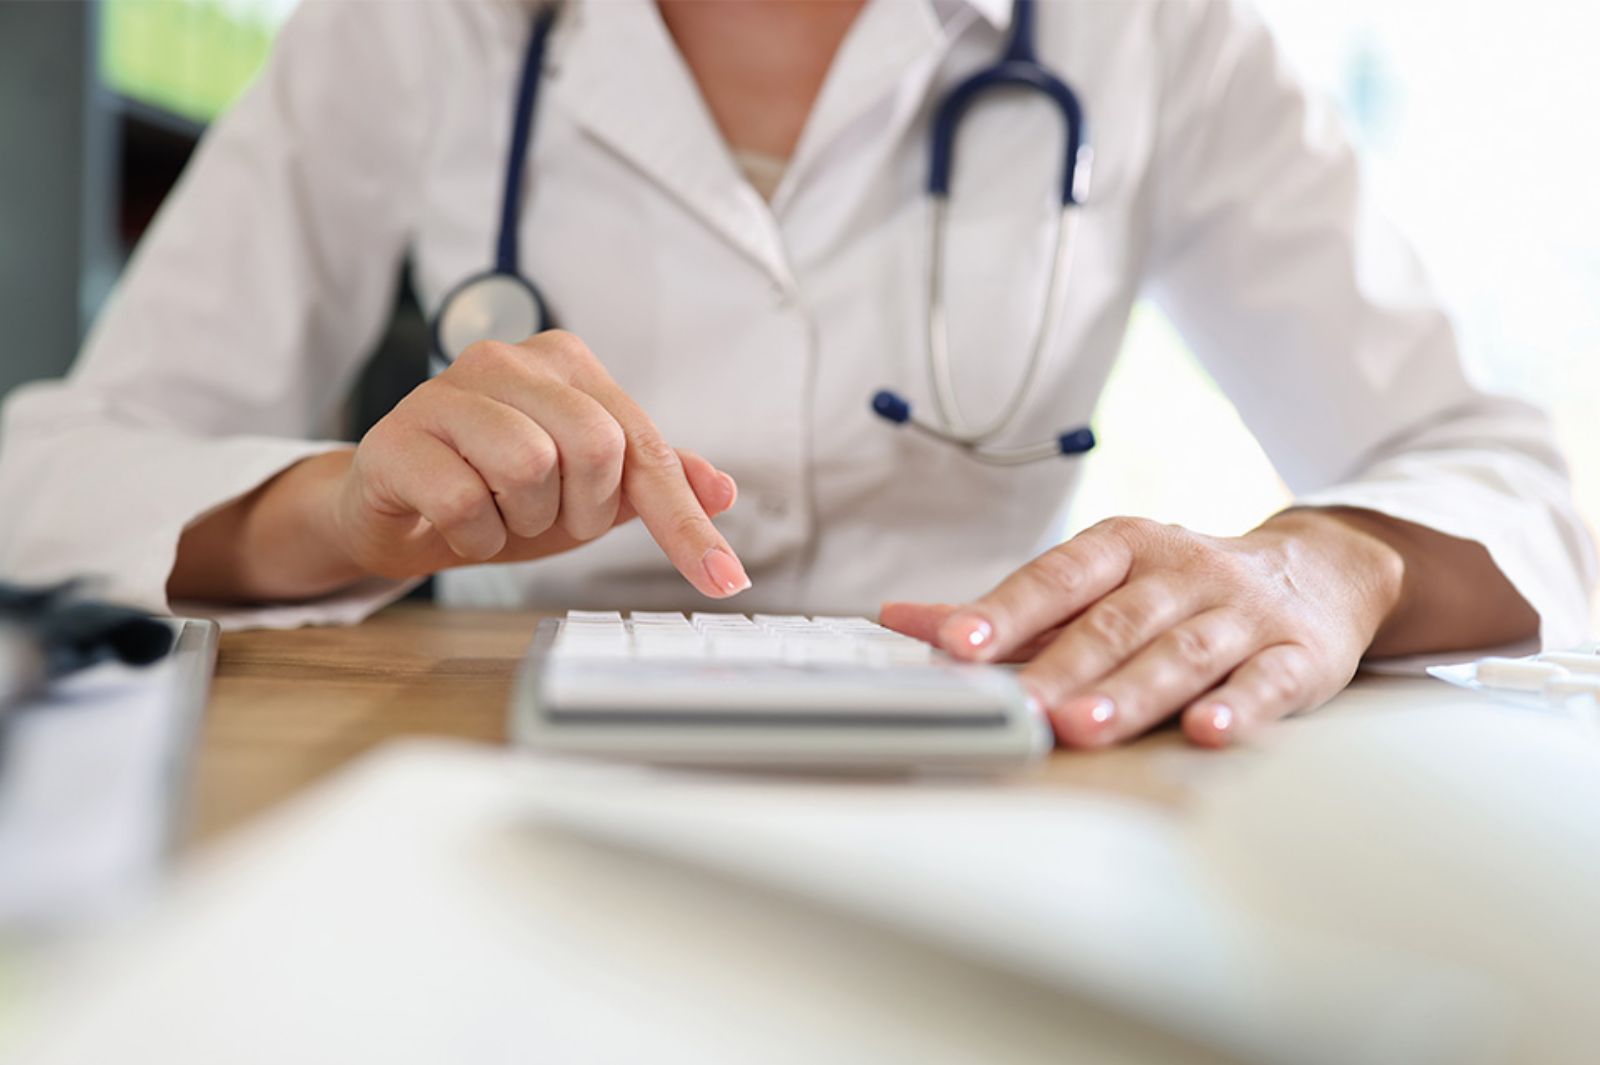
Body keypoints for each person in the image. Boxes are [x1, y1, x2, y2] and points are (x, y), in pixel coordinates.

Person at [0, 0, 1591, 749]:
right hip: (499, 763)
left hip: (1014, 764)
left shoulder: (1155, 32)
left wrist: (1328, 564)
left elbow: (1514, 475)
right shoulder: (418, 28)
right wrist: (341, 512)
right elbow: (52, 473)